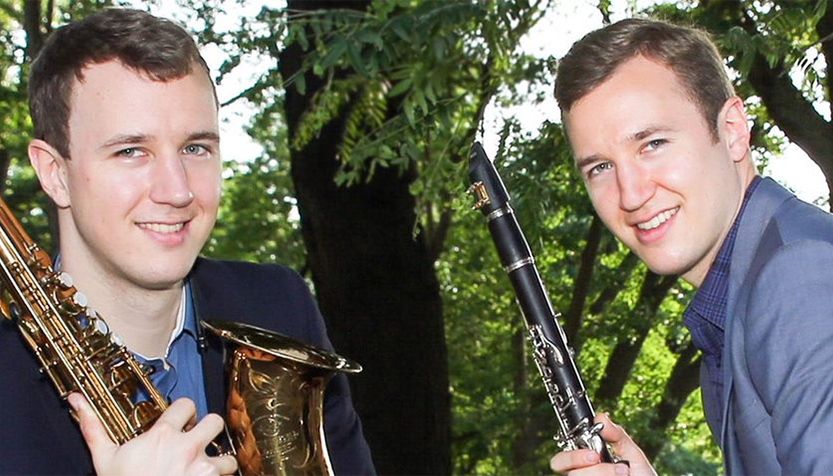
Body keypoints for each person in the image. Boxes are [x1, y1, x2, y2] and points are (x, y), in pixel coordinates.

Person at [0, 7, 375, 475]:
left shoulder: (278, 306)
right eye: (131, 151)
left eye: (195, 148)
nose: (177, 191)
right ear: (55, 173)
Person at [549, 17, 833, 476]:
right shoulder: (739, 295)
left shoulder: (799, 280)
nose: (631, 194)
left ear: (734, 130)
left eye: (653, 143)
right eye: (600, 167)